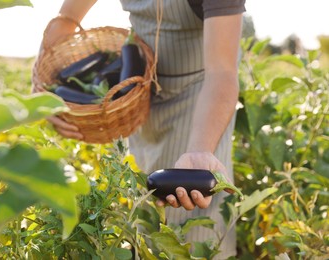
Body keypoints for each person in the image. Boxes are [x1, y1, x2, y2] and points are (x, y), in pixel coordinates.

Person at [38, 0, 245, 258]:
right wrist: (65, 21)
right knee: (145, 216)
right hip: (139, 93)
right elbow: (66, 19)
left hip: (200, 101)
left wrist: (200, 149)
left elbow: (222, 73)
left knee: (194, 234)